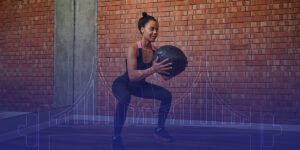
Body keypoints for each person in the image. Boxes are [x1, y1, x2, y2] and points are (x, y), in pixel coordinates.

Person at [111, 12, 174, 150]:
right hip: (124, 84)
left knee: (166, 96)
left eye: (157, 29)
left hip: (140, 86)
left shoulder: (156, 51)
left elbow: (164, 75)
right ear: (142, 29)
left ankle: (160, 129)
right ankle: (116, 137)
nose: (155, 32)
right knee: (124, 98)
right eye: (152, 28)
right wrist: (153, 69)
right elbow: (133, 76)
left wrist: (173, 70)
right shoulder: (133, 49)